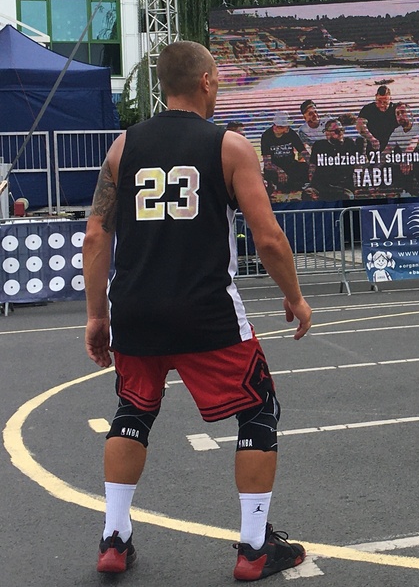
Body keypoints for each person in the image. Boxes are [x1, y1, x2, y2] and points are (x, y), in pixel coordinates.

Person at [82, 40, 312, 578]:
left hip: (135, 307)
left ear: (164, 85)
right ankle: (254, 548)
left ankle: (115, 537)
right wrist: (295, 297)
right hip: (206, 310)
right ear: (207, 80)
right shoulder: (230, 147)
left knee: (133, 411)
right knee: (258, 410)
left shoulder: (122, 147)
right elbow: (269, 238)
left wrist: (98, 315)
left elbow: (96, 237)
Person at [305, 118, 358, 201]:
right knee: (307, 195)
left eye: (342, 130)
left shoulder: (349, 144)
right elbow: (313, 165)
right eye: (337, 131)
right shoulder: (319, 145)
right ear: (327, 133)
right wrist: (311, 183)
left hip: (341, 186)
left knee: (346, 197)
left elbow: (357, 164)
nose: (341, 133)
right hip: (321, 185)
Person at [260, 111, 308, 199]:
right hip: (274, 168)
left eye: (280, 127)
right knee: (270, 175)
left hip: (290, 165)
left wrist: (312, 165)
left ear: (286, 128)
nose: (275, 128)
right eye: (275, 125)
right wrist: (279, 171)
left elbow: (303, 152)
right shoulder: (266, 136)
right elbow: (267, 164)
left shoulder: (291, 134)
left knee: (304, 168)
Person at [356, 84, 398, 153]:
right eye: (379, 101)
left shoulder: (396, 109)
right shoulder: (368, 109)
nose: (381, 105)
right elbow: (360, 126)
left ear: (390, 99)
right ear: (376, 97)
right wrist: (371, 139)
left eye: (385, 102)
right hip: (373, 145)